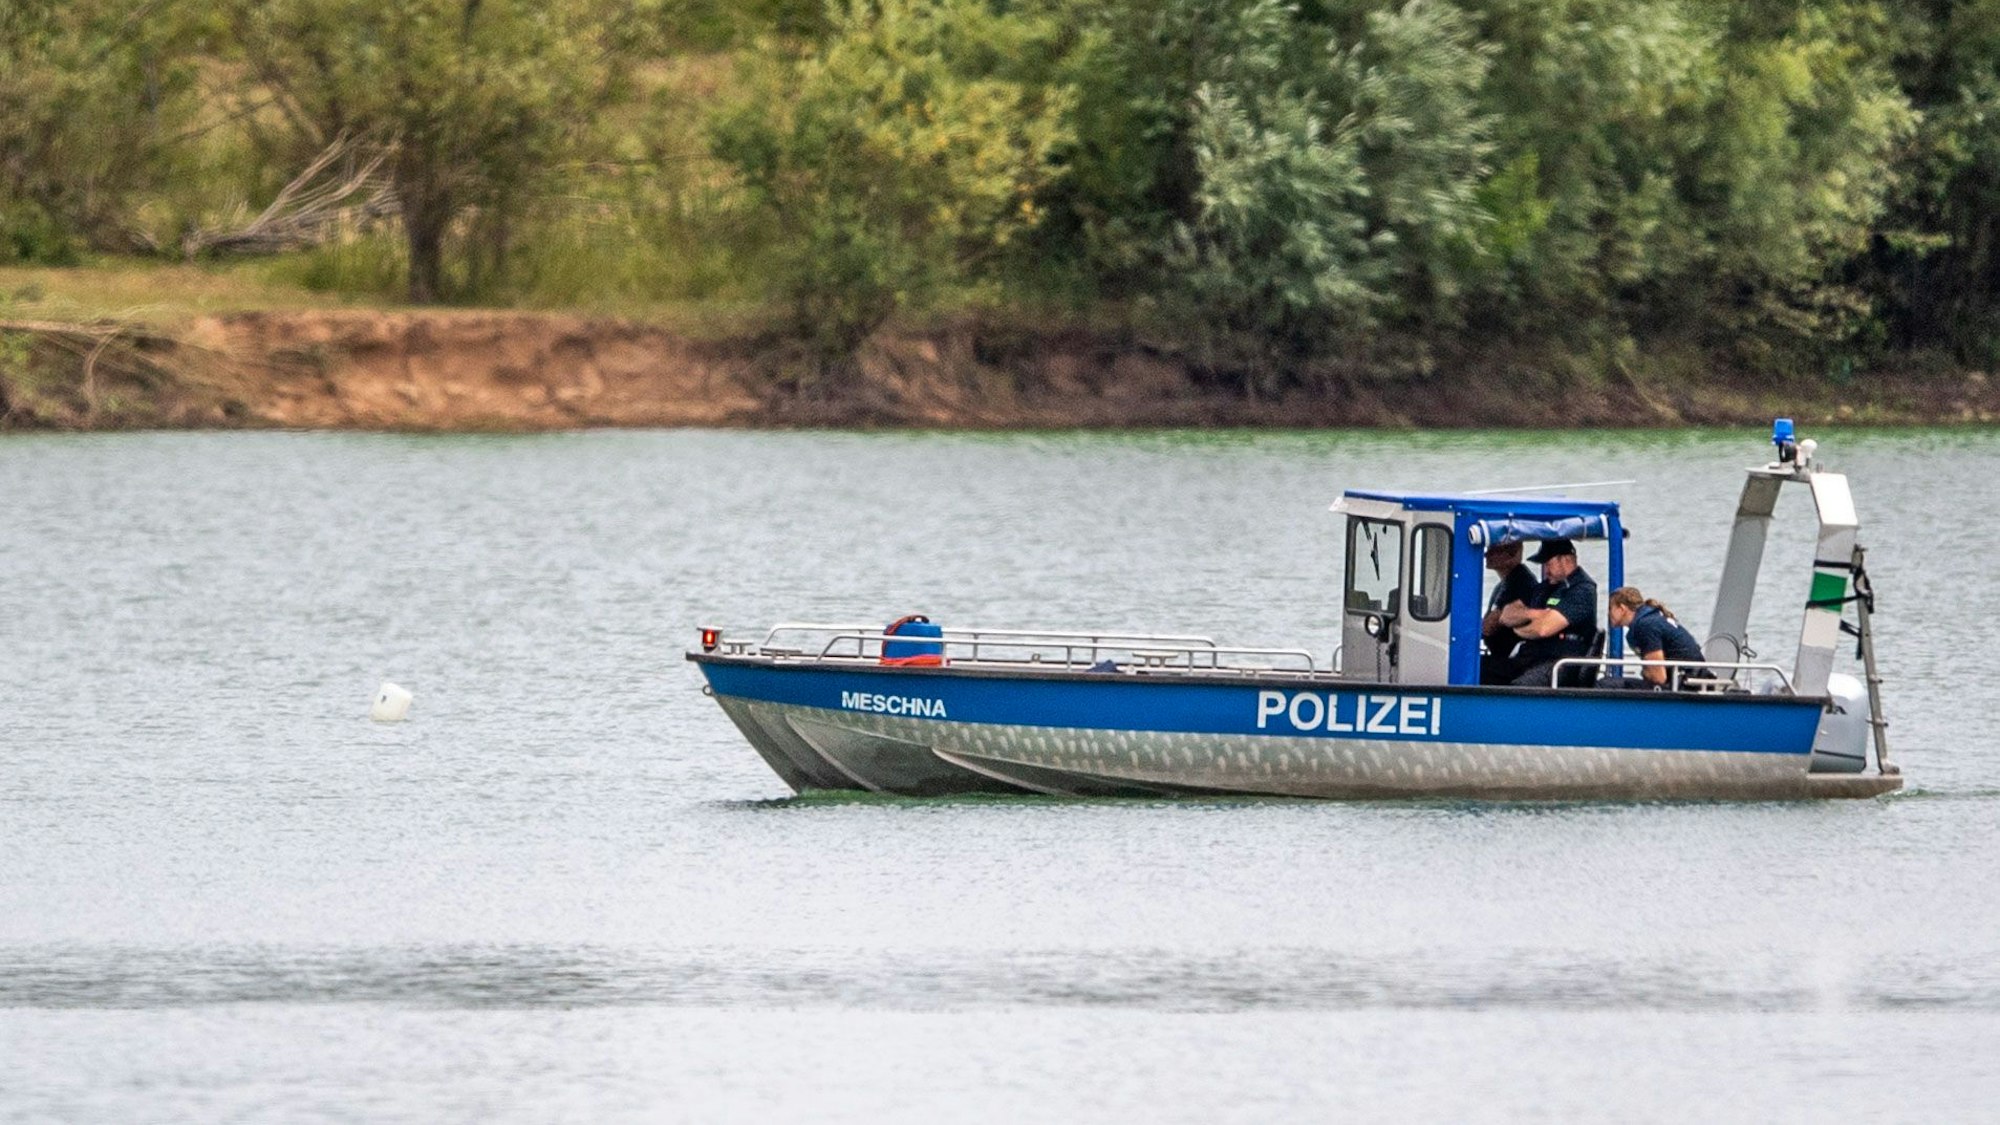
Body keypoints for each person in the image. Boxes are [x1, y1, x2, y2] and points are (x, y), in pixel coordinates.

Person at [1507, 538, 1598, 687]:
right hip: (1532, 657)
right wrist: (1534, 614)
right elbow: (1507, 614)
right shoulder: (1544, 587)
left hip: (1560, 661)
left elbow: (1543, 629)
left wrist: (1518, 629)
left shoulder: (1582, 589)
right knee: (1484, 669)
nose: (1546, 570)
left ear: (1567, 560)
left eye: (1549, 564)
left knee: (1520, 686)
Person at [1605, 586, 1707, 689]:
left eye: (1610, 608)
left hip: (1685, 684)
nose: (1608, 614)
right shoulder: (1651, 618)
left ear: (1622, 609)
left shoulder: (1646, 625)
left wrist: (1646, 672)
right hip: (1689, 678)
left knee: (1606, 684)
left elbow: (1658, 677)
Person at [1479, 541, 1539, 684]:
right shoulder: (1504, 584)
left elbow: (1489, 627)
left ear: (1512, 554)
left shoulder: (1521, 583)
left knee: (1473, 667)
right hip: (1500, 655)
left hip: (1516, 660)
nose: (1486, 554)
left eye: (1494, 550)